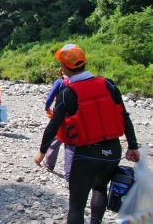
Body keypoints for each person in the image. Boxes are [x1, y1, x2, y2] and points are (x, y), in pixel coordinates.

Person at [34, 44, 139, 224]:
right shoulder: (108, 84)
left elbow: (54, 125)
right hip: (112, 152)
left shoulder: (67, 93)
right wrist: (133, 146)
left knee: (76, 205)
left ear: (65, 68)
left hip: (86, 155)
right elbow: (124, 116)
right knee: (100, 188)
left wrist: (42, 151)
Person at [43, 68, 75, 186]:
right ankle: (69, 176)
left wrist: (47, 108)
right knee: (71, 146)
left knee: (56, 139)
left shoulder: (59, 82)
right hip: (75, 117)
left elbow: (51, 97)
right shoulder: (79, 82)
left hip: (60, 115)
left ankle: (49, 164)